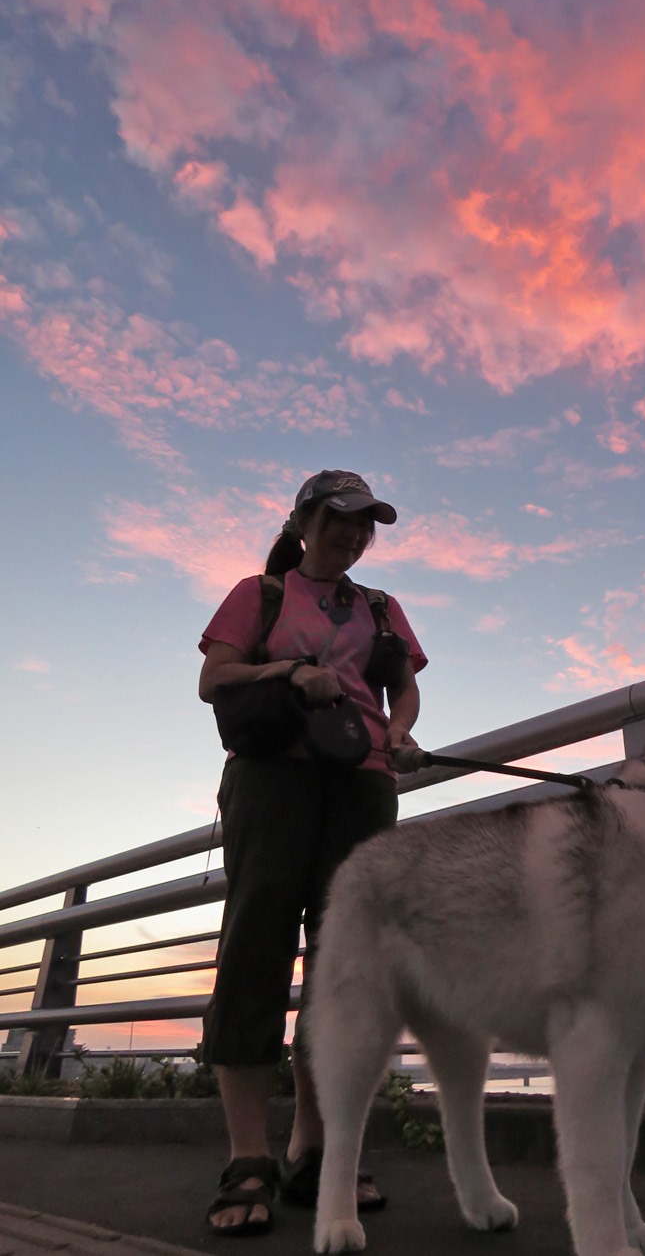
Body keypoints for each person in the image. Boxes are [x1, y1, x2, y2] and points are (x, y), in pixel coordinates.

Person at [197, 469, 426, 1236]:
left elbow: (403, 687)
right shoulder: (259, 593)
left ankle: (316, 1149)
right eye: (340, 519)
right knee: (256, 947)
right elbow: (213, 677)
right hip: (271, 781)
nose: (355, 534)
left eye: (367, 524)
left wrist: (399, 733)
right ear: (303, 520)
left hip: (361, 785)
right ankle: (248, 1156)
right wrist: (292, 671)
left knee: (345, 965)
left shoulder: (381, 607)